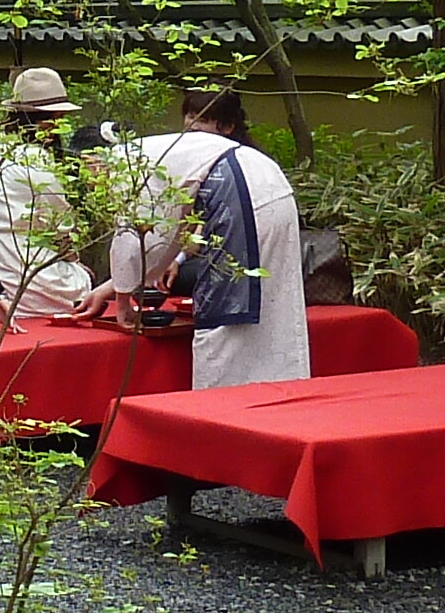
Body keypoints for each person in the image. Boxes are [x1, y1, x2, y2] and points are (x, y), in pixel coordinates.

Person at [120, 84, 309, 388]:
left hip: (252, 226)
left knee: (232, 322)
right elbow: (185, 227)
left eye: (204, 120)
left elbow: (143, 235)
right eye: (191, 116)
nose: (193, 126)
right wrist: (172, 260)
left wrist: (120, 296)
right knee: (271, 320)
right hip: (260, 214)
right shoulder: (226, 158)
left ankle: (225, 400)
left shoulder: (146, 158)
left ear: (228, 127)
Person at [0, 67, 112, 325]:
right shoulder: (38, 161)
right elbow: (63, 230)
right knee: (82, 283)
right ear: (48, 119)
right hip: (21, 266)